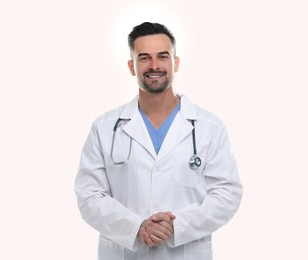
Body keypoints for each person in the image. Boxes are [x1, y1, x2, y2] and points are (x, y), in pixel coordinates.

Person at [74, 22, 243, 260]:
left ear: (175, 63)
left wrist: (176, 226)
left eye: (163, 56)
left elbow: (227, 195)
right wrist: (135, 227)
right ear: (132, 67)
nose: (154, 66)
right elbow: (89, 196)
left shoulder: (209, 127)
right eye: (144, 58)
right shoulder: (104, 128)